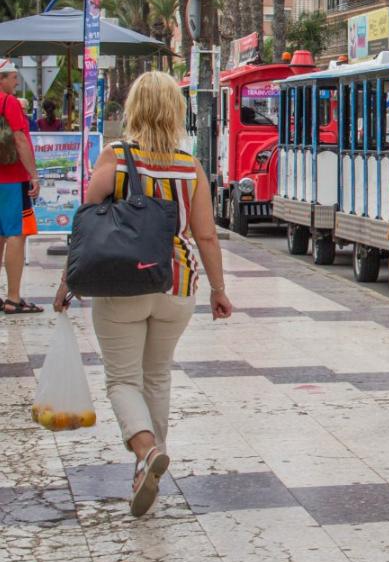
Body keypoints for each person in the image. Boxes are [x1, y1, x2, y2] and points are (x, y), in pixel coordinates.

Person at [52, 71, 234, 517]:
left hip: (123, 284)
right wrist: (218, 290)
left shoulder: (115, 157)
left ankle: (147, 451)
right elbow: (207, 237)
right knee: (157, 377)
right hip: (177, 285)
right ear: (175, 112)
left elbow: (86, 226)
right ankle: (147, 468)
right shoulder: (190, 168)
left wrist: (65, 283)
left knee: (122, 380)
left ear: (134, 109)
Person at [0, 60, 41, 314]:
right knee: (16, 234)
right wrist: (33, 175)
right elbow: (19, 138)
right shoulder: (8, 102)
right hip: (12, 179)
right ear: (2, 79)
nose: (17, 82)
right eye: (14, 78)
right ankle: (13, 298)